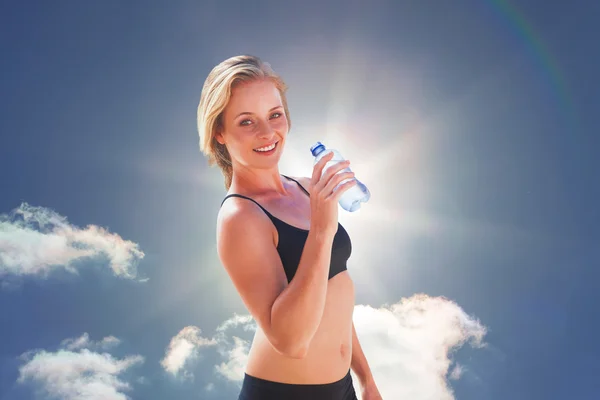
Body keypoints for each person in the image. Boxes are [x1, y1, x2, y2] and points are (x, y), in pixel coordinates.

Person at [197, 55, 382, 400]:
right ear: (219, 132)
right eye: (246, 122)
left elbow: (330, 298)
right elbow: (292, 341)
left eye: (275, 115)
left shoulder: (307, 188)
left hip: (342, 388)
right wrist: (322, 230)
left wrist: (366, 379)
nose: (267, 133)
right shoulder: (241, 217)